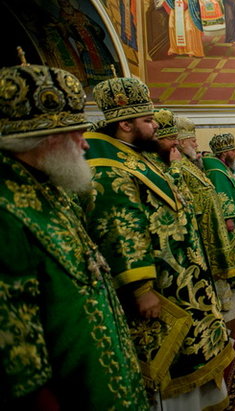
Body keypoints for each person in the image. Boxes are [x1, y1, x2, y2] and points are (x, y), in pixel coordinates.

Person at [0, 58, 148, 410]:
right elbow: (15, 349)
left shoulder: (52, 188)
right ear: (43, 138)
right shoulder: (7, 210)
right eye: (77, 133)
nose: (85, 144)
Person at [85, 75, 233, 407]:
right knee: (172, 363)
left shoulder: (134, 156)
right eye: (148, 120)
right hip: (161, 288)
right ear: (125, 124)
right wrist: (141, 288)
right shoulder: (110, 167)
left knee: (194, 350)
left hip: (180, 276)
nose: (156, 127)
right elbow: (120, 226)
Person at [175, 116, 235, 309]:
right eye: (233, 151)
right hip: (219, 221)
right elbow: (221, 194)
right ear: (225, 153)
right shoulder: (215, 169)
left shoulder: (220, 166)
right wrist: (229, 218)